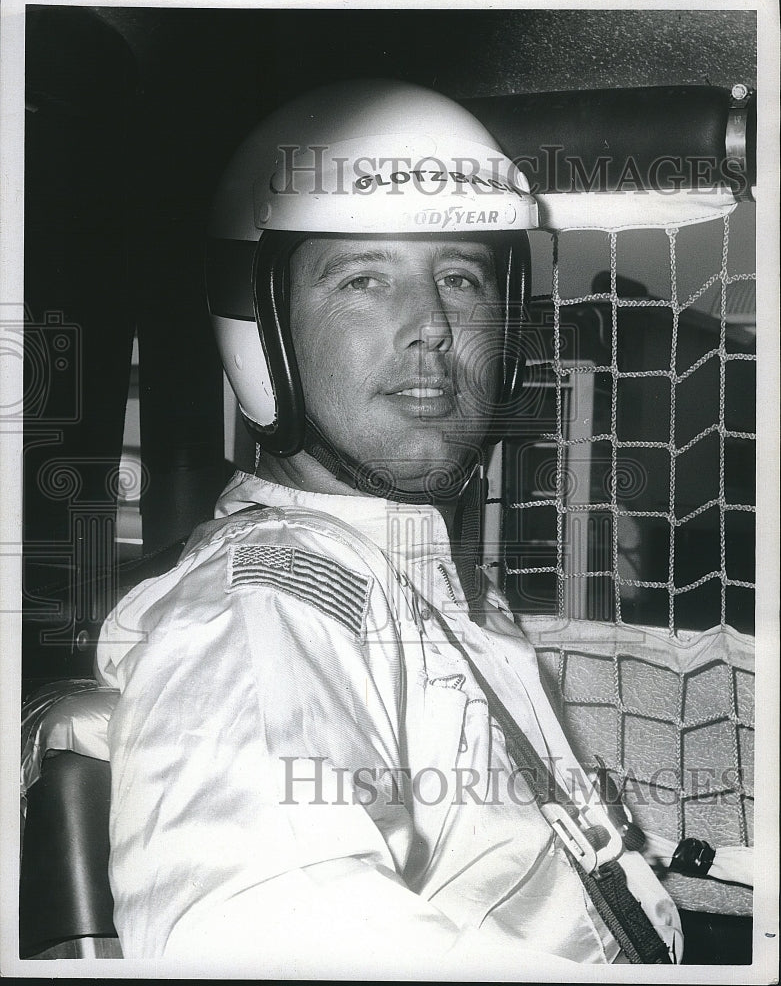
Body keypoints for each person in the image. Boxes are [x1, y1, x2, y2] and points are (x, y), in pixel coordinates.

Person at [96, 80, 682, 974]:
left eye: (459, 276)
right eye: (364, 278)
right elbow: (255, 934)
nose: (433, 328)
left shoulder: (422, 579)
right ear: (265, 331)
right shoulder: (271, 603)